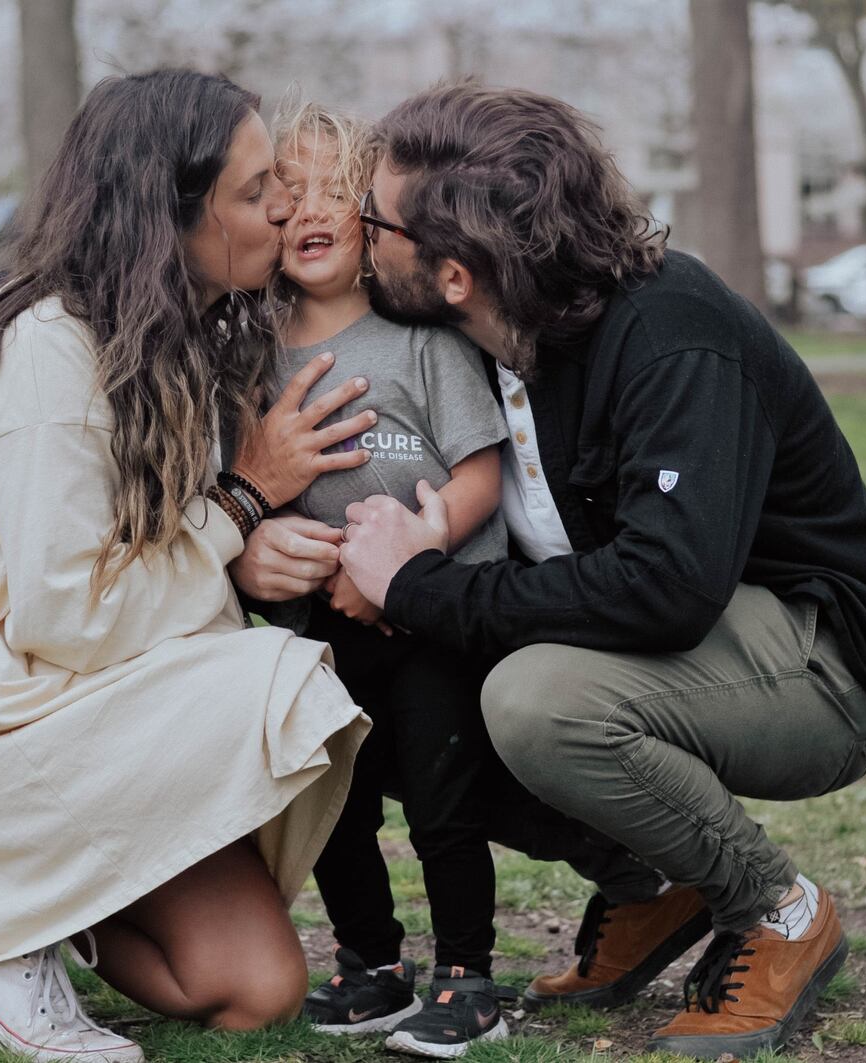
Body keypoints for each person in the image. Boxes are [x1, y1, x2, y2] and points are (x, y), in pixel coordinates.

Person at [333, 82, 866, 1061]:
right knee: (398, 706)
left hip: (829, 666)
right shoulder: (473, 334)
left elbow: (664, 587)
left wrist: (419, 588)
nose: (363, 240)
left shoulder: (669, 334)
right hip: (684, 642)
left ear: (451, 273)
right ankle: (653, 886)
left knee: (535, 702)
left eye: (375, 222)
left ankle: (775, 910)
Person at [0, 70, 377, 1063]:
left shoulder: (185, 329)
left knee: (255, 987)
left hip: (71, 675)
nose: (286, 209)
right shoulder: (47, 349)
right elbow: (68, 615)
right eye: (257, 192)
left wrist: (248, 539)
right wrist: (243, 502)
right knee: (281, 685)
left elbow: (162, 554)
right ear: (173, 215)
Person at [262, 101, 510, 1058]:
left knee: (445, 801)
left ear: (372, 215)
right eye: (290, 194)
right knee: (337, 802)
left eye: (337, 189)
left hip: (428, 616)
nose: (312, 209)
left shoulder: (421, 340)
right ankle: (371, 966)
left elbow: (482, 469)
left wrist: (416, 546)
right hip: (320, 627)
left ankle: (467, 974)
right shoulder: (251, 359)